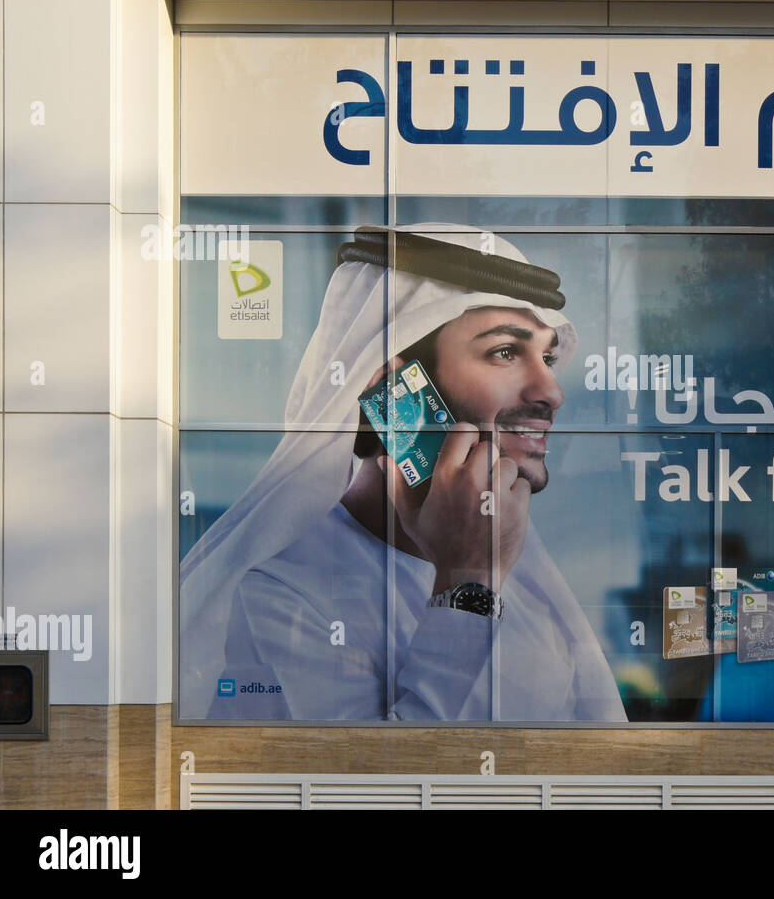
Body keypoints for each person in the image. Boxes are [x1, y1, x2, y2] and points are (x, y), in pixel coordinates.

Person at [179, 223, 626, 722]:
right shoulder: (279, 595)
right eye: (505, 353)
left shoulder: (522, 579)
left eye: (546, 357)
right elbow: (379, 791)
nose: (551, 392)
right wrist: (467, 585)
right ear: (396, 392)